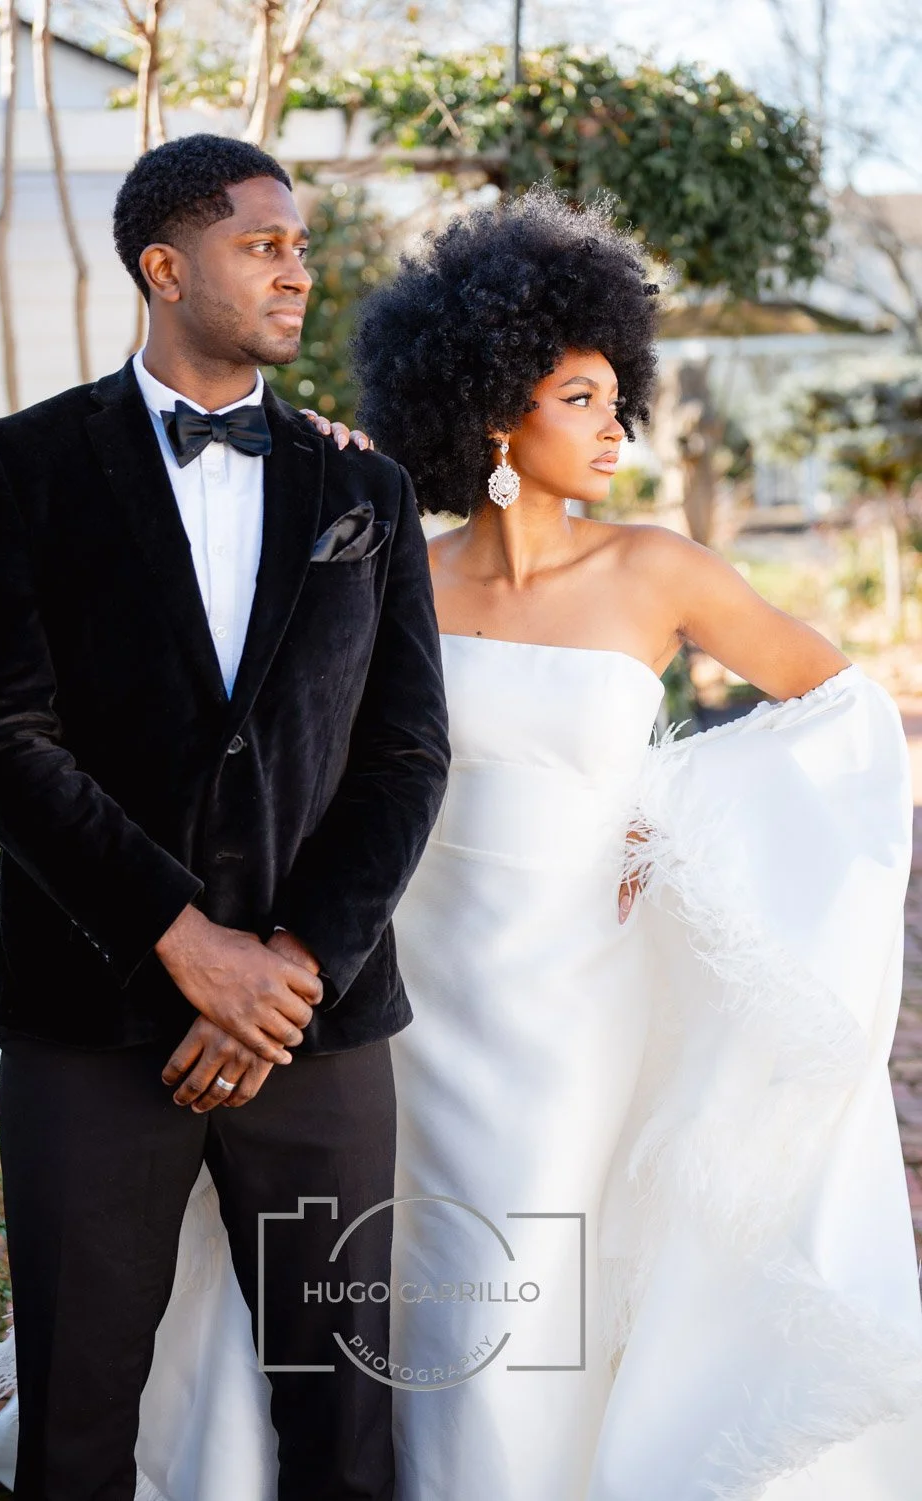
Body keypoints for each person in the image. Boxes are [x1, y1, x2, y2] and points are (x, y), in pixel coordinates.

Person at [339, 184, 922, 1499]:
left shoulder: (656, 569)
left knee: (529, 1256)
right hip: (409, 977)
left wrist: (676, 811)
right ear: (493, 410)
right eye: (582, 399)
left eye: (619, 397)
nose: (619, 428)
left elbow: (839, 709)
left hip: (576, 993)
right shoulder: (397, 578)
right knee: (420, 1257)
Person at [0, 132, 449, 1501]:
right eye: (261, 245)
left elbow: (405, 752)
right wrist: (185, 942)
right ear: (165, 268)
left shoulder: (366, 489)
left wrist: (288, 964)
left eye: (300, 246)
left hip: (314, 1023)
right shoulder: (16, 467)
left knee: (345, 1416)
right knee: (81, 1416)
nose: (297, 271)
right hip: (90, 1018)